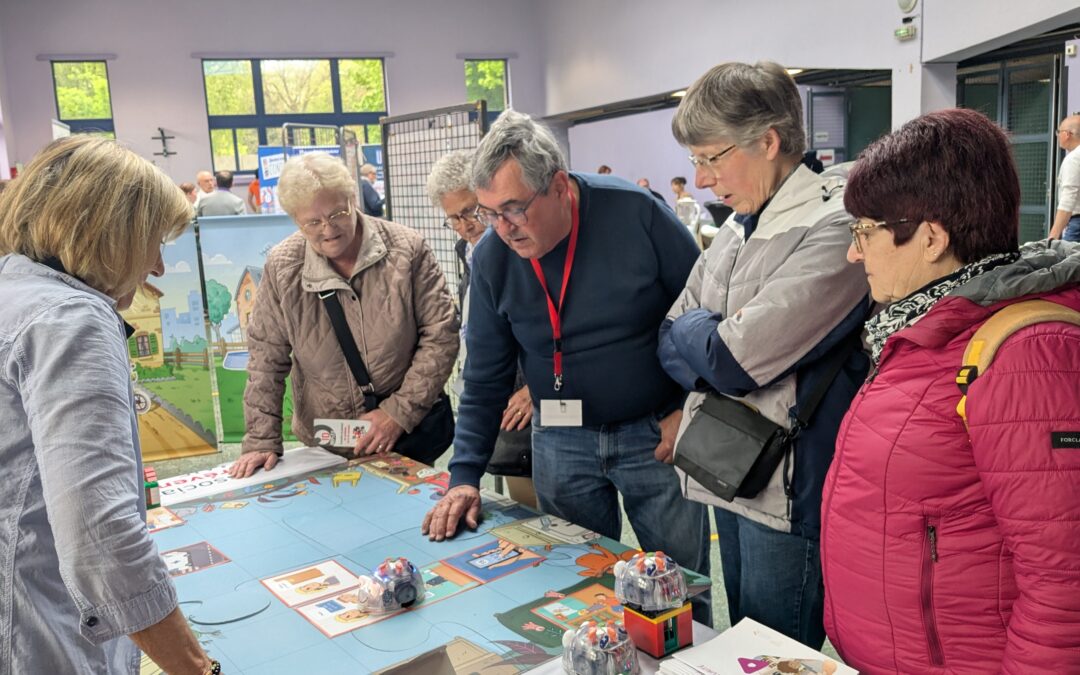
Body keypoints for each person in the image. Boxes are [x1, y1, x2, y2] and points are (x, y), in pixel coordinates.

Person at [420, 110, 711, 624]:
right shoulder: (492, 257)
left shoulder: (637, 214)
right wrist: (464, 475)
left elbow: (706, 319)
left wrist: (690, 407)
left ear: (558, 186)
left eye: (514, 209)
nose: (502, 229)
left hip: (657, 433)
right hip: (561, 438)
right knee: (575, 591)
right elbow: (484, 376)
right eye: (489, 213)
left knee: (677, 588)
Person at [821, 108, 1080, 672]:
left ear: (932, 238)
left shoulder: (1024, 357)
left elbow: (1064, 586)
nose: (853, 253)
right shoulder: (924, 329)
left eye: (864, 232)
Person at [658, 61, 870, 647]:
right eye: (695, 160)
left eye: (711, 157)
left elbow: (732, 361)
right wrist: (714, 340)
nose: (701, 179)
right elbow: (668, 336)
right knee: (741, 640)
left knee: (775, 651)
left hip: (788, 486)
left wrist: (713, 342)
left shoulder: (834, 226)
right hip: (725, 464)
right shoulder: (738, 224)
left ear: (769, 141)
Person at [0, 136, 218, 673]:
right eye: (153, 243)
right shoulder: (72, 317)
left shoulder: (13, 291)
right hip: (41, 628)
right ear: (111, 235)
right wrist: (196, 668)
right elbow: (100, 535)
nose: (158, 267)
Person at [228, 152, 458, 479]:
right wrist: (261, 439)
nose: (328, 229)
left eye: (338, 213)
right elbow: (266, 356)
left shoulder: (407, 250)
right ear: (296, 221)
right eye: (313, 222)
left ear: (353, 200)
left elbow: (441, 335)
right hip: (326, 443)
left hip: (405, 434)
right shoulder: (283, 266)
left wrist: (397, 413)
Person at [426, 149, 537, 508]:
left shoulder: (526, 247)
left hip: (539, 397)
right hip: (498, 397)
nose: (465, 225)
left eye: (471, 211)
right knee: (520, 503)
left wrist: (535, 388)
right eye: (453, 218)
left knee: (547, 510)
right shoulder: (469, 252)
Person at [1050, 114, 1080, 242]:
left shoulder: (1073, 159)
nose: (1057, 135)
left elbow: (1068, 199)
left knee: (1068, 255)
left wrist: (1052, 237)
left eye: (1059, 131)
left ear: (1067, 134)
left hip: (1077, 224)